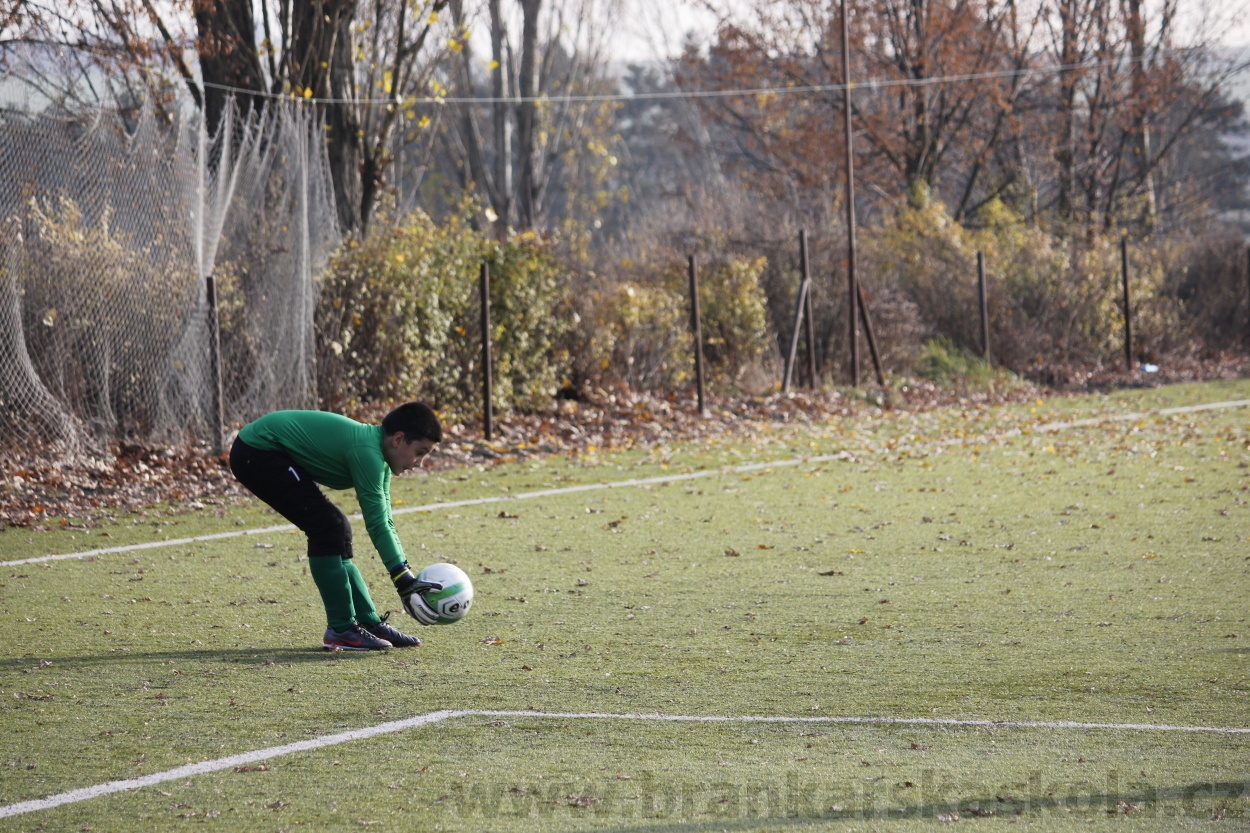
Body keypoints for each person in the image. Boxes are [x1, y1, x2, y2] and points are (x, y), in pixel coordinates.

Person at [229, 403, 443, 651]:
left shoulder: (380, 458)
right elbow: (376, 525)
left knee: (337, 528)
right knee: (328, 527)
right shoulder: (367, 452)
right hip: (257, 450)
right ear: (398, 439)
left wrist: (403, 574)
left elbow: (385, 521)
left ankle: (368, 623)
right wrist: (403, 579)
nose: (419, 462)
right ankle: (341, 629)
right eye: (420, 452)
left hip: (265, 448)